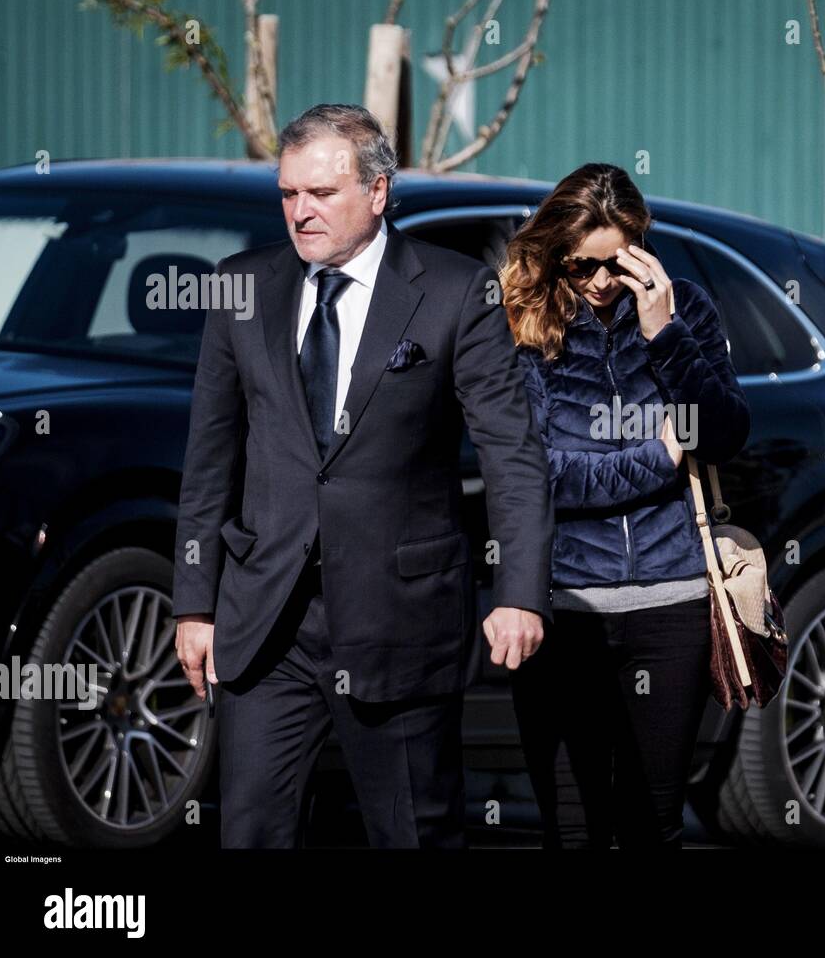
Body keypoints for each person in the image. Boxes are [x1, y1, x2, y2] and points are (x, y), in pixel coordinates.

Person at [172, 103, 553, 848]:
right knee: (249, 831)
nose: (300, 212)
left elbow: (512, 453)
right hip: (267, 620)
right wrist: (194, 603)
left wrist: (520, 593)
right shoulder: (240, 290)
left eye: (321, 194)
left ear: (377, 192)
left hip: (399, 618)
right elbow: (209, 461)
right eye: (288, 194)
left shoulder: (455, 292)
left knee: (413, 832)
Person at [499, 162, 750, 847]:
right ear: (555, 256)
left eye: (619, 262)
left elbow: (723, 434)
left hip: (671, 606)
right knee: (576, 831)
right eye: (583, 267)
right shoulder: (525, 324)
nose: (603, 283)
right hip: (565, 609)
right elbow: (536, 475)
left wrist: (663, 334)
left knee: (651, 825)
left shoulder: (684, 308)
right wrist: (656, 457)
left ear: (643, 247)